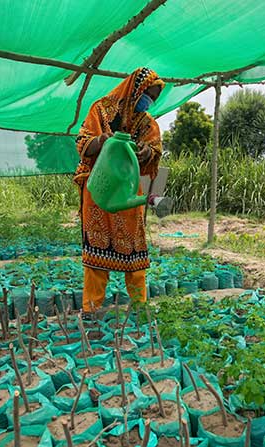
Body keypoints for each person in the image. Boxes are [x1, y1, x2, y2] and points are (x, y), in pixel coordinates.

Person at [73, 67, 164, 315]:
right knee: (96, 255)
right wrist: (103, 141)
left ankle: (139, 307)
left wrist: (146, 152)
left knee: (134, 254)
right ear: (135, 89)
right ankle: (91, 311)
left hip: (127, 195)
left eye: (154, 98)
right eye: (148, 94)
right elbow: (82, 142)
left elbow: (154, 153)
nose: (150, 102)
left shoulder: (147, 124)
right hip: (100, 190)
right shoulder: (101, 110)